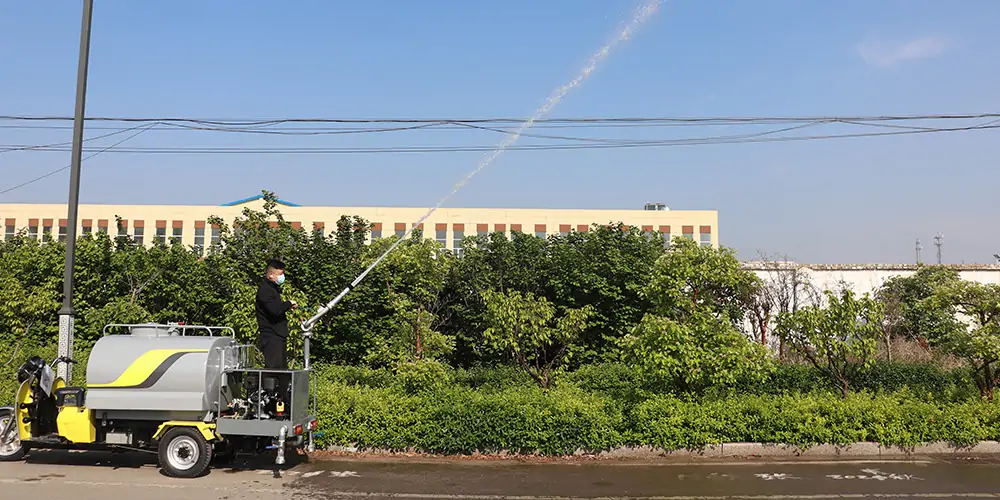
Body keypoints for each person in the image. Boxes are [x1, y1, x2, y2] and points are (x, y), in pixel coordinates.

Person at [256, 259, 297, 369]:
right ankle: (269, 387)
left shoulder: (273, 289)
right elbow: (274, 310)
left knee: (282, 368)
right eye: (280, 274)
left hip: (278, 335)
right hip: (271, 336)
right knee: (274, 369)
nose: (282, 276)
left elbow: (277, 308)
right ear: (270, 275)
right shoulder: (265, 290)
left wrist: (287, 306)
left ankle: (282, 386)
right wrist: (288, 303)